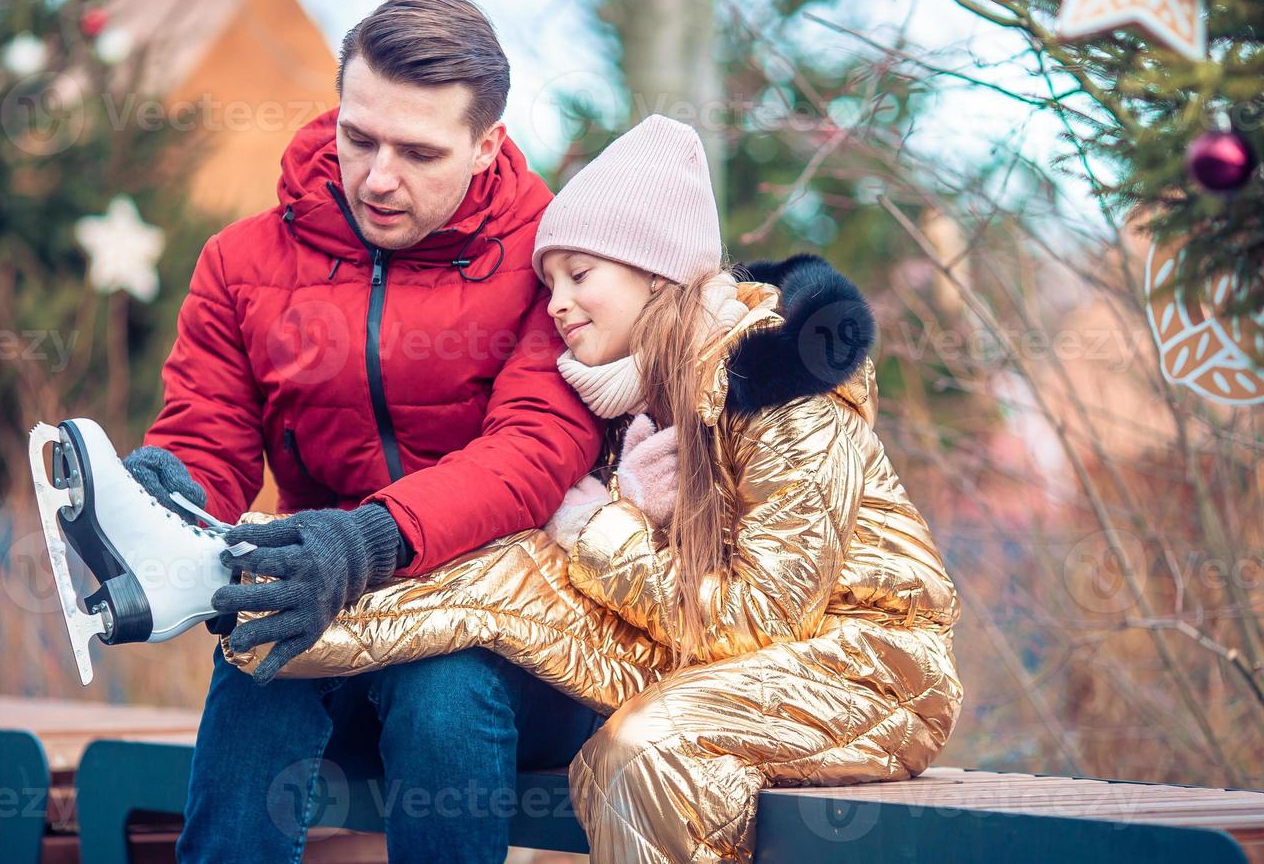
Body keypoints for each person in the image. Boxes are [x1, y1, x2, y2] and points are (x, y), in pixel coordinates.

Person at [220, 114, 964, 862]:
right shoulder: (627, 402)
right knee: (477, 607)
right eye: (549, 282)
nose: (557, 305)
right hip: (718, 661)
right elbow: (535, 582)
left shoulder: (782, 398)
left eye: (580, 275)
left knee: (641, 754)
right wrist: (296, 588)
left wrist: (601, 530)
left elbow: (766, 613)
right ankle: (280, 604)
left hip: (872, 670)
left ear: (656, 274)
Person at [124, 0, 609, 863]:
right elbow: (208, 434)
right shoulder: (243, 263)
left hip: (512, 642)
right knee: (259, 651)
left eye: (420, 152)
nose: (378, 176)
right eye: (359, 138)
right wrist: (173, 494)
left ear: (488, 144)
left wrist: (370, 538)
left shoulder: (556, 260)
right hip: (323, 616)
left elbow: (534, 451)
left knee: (442, 688)